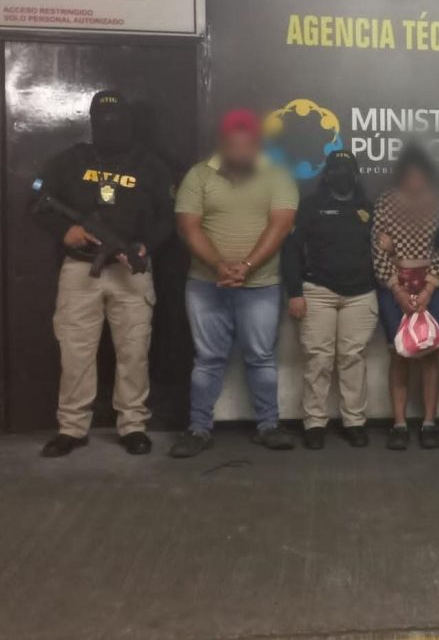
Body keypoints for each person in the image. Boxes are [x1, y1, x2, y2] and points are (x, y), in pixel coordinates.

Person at [31, 90, 174, 457]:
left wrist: (144, 246)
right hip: (81, 269)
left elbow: (168, 216)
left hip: (131, 271)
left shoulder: (150, 165)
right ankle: (72, 428)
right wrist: (66, 231)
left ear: (130, 122)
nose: (111, 127)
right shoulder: (70, 161)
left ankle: (133, 425)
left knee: (134, 352)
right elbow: (36, 199)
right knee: (75, 353)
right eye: (104, 121)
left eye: (118, 121)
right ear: (93, 122)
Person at [170, 109, 299, 458]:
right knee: (208, 359)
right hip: (205, 285)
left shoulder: (277, 175)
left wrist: (246, 266)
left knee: (261, 357)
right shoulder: (199, 175)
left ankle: (268, 426)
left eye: (247, 144)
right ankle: (198, 429)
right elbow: (188, 226)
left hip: (261, 285)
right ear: (223, 144)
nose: (240, 151)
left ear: (257, 144)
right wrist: (218, 266)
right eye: (233, 144)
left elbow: (281, 224)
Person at [281, 150, 377, 450]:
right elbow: (291, 250)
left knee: (352, 359)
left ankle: (354, 421)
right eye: (335, 170)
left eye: (346, 170)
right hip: (318, 292)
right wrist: (294, 292)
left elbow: (383, 249)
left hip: (360, 294)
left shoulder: (368, 208)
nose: (341, 176)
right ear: (327, 175)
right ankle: (314, 423)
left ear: (356, 175)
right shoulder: (311, 206)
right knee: (318, 359)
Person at [373, 144, 439, 451]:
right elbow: (378, 251)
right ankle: (399, 424)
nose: (415, 181)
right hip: (395, 286)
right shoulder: (386, 201)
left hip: (436, 286)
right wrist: (397, 289)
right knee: (399, 352)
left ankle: (430, 423)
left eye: (420, 175)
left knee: (431, 352)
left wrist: (428, 288)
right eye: (409, 175)